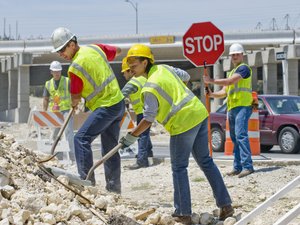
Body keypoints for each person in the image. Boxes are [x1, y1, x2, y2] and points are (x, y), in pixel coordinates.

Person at [119, 44, 233, 223]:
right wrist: (177, 93)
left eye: (134, 65)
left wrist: (132, 136)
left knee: (179, 168)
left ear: (145, 62)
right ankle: (226, 205)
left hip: (183, 123)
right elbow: (186, 77)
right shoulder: (164, 69)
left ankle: (183, 213)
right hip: (199, 113)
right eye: (130, 66)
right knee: (205, 161)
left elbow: (148, 119)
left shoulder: (149, 88)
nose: (131, 69)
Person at [51, 27, 125, 193]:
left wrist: (73, 103)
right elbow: (118, 50)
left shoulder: (74, 68)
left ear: (71, 44)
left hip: (105, 106)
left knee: (81, 139)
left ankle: (86, 184)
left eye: (62, 49)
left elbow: (76, 97)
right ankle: (114, 190)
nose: (61, 54)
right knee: (109, 148)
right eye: (58, 51)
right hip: (118, 104)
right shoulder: (95, 48)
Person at [203, 43, 254, 178]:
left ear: (242, 55)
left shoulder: (244, 69)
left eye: (237, 54)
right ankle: (237, 167)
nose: (235, 56)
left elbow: (230, 82)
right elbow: (224, 92)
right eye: (233, 55)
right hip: (232, 108)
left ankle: (247, 166)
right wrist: (212, 94)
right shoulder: (231, 71)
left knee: (240, 135)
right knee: (234, 138)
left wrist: (211, 80)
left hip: (243, 106)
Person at [121, 57, 154, 169]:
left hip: (142, 113)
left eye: (124, 73)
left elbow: (120, 96)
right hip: (149, 111)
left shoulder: (133, 82)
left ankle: (142, 161)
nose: (124, 76)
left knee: (141, 135)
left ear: (129, 71)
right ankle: (148, 154)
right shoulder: (144, 78)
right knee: (145, 134)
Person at [43, 60, 75, 161]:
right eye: (55, 71)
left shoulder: (67, 81)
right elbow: (45, 98)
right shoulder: (48, 84)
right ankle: (59, 157)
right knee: (55, 135)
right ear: (51, 72)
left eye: (58, 71)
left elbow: (73, 94)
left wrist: (74, 107)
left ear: (61, 71)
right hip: (55, 112)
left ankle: (72, 157)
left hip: (67, 111)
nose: (57, 73)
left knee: (69, 132)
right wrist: (44, 111)